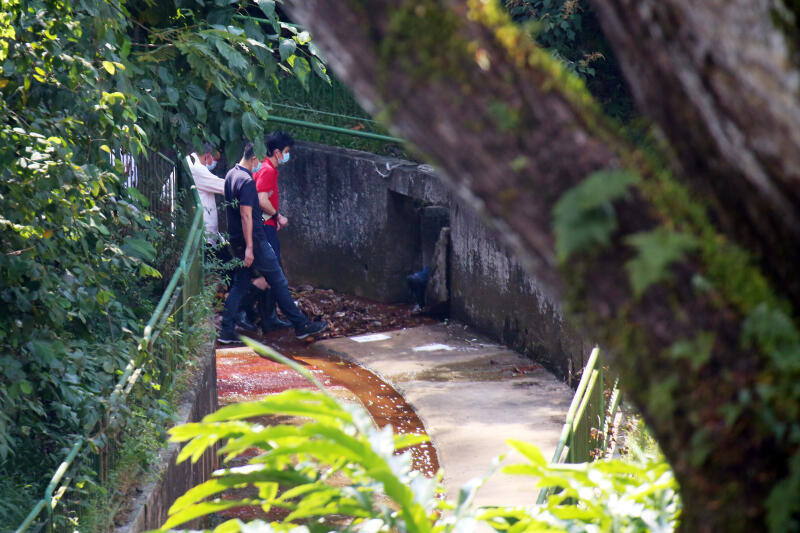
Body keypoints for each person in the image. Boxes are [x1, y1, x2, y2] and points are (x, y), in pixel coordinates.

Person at [218, 142, 327, 343]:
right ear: (253, 159)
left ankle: (226, 331)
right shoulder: (247, 181)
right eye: (259, 161)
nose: (260, 164)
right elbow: (246, 215)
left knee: (240, 285)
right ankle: (301, 325)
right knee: (278, 281)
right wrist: (251, 246)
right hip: (255, 242)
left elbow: (241, 213)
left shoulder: (231, 175)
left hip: (237, 240)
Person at [252, 130, 294, 330]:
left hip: (265, 226)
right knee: (273, 276)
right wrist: (278, 216)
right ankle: (247, 312)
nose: (287, 155)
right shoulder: (268, 170)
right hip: (266, 229)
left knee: (270, 275)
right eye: (286, 151)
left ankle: (267, 317)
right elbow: (261, 199)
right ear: (277, 152)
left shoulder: (264, 167)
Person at [185, 144, 223, 245]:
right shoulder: (197, 168)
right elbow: (224, 187)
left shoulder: (186, 162)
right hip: (202, 236)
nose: (215, 163)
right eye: (215, 159)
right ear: (207, 156)